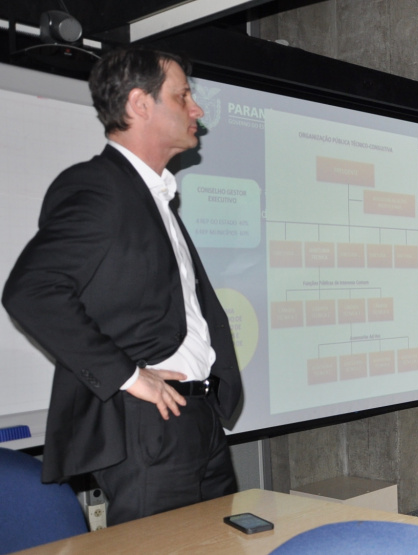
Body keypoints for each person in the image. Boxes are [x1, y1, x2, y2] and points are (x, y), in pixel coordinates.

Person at [2, 46, 242, 525]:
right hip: (149, 425)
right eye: (183, 96)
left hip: (198, 416)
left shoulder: (153, 196)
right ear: (140, 104)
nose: (197, 110)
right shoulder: (99, 186)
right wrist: (131, 377)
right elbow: (31, 290)